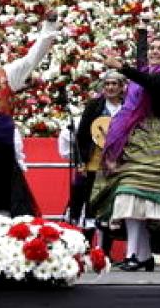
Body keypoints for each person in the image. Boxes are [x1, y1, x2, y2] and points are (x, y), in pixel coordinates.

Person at [93, 20, 160, 272]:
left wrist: (124, 68)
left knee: (136, 195)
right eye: (152, 48)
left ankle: (138, 255)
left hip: (152, 139)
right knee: (129, 197)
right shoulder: (145, 71)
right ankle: (140, 256)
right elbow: (142, 66)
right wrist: (142, 32)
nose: (155, 52)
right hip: (131, 138)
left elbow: (150, 82)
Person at [0, 13, 61, 217]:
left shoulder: (8, 73)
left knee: (4, 197)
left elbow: (34, 57)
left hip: (2, 144)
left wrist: (49, 25)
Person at [63, 70, 125, 255]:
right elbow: (82, 135)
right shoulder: (94, 106)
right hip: (94, 161)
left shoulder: (128, 107)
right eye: (107, 84)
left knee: (111, 207)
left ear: (122, 87)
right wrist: (81, 161)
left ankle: (105, 252)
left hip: (119, 163)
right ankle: (87, 248)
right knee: (90, 205)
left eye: (115, 84)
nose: (110, 87)